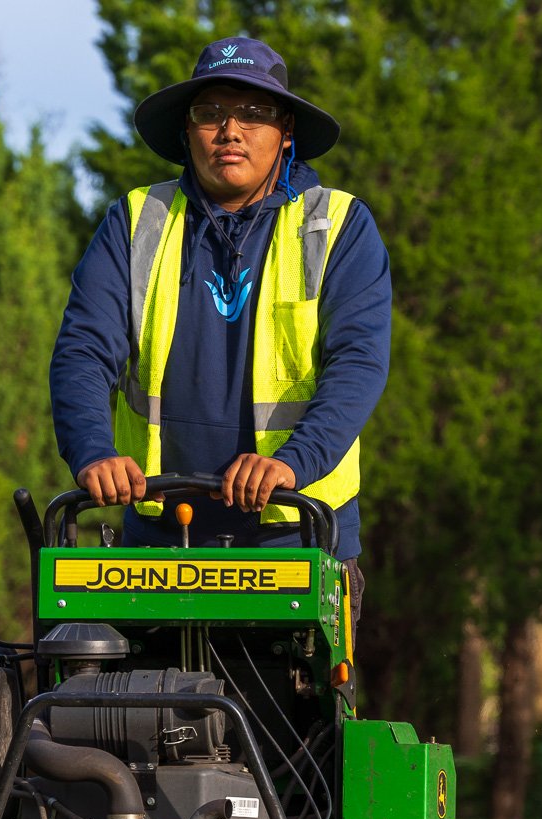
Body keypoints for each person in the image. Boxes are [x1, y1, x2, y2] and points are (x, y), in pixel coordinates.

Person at [49, 36, 390, 622]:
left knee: (295, 717)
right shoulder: (134, 222)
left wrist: (294, 462)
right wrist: (92, 453)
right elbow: (83, 351)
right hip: (157, 544)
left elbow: (358, 364)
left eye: (254, 113)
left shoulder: (338, 225)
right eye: (210, 113)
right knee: (129, 709)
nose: (230, 129)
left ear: (286, 131)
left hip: (297, 540)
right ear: (187, 133)